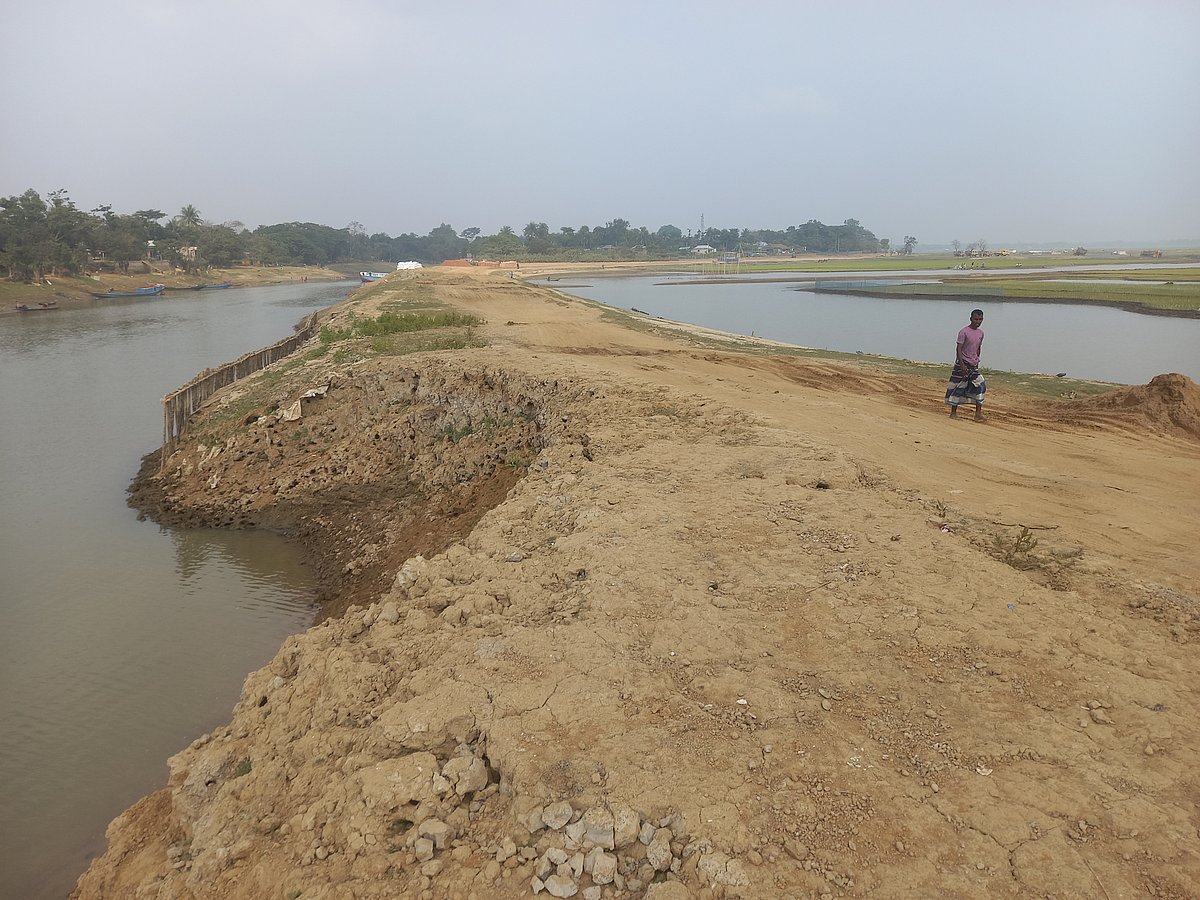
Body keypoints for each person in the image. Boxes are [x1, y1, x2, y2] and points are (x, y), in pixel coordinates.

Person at [945, 308, 986, 421]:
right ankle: (953, 413)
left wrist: (977, 360)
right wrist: (961, 365)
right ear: (971, 319)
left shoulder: (981, 333)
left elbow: (978, 348)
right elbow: (958, 348)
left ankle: (978, 413)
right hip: (963, 364)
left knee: (980, 385)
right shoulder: (963, 332)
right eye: (976, 319)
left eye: (980, 319)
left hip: (973, 364)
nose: (978, 321)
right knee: (958, 387)